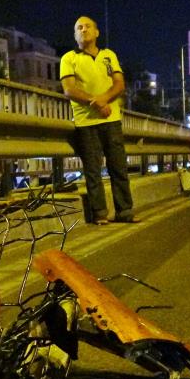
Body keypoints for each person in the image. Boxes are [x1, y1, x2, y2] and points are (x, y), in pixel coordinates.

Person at [59, 16, 138, 224]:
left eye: (87, 27)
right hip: (86, 122)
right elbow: (69, 89)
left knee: (118, 167)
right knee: (93, 171)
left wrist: (104, 100)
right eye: (79, 28)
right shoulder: (69, 58)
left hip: (111, 119)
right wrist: (96, 103)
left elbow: (119, 84)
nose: (83, 30)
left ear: (97, 32)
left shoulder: (108, 55)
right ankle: (99, 213)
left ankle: (124, 211)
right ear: (75, 35)